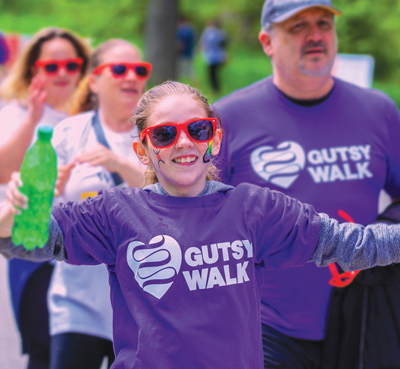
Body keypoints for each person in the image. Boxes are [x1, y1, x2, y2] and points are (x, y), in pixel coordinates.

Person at [1, 81, 400, 369]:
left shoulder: (254, 208)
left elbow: (355, 245)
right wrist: (13, 210)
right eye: (164, 135)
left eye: (198, 129)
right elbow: (24, 242)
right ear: (142, 151)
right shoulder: (113, 212)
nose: (184, 143)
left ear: (215, 138)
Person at [212, 0, 400, 369]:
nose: (315, 36)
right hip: (264, 326)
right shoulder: (228, 118)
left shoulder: (379, 110)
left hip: (361, 320)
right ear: (267, 41)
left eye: (323, 24)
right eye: (297, 26)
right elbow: (196, 216)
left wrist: (379, 234)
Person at [47, 38, 148, 369]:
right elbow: (42, 217)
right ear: (93, 81)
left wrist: (117, 164)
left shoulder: (158, 134)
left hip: (145, 308)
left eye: (139, 70)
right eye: (119, 69)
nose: (131, 77)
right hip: (78, 306)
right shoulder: (68, 133)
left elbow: (174, 192)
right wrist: (50, 190)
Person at [0, 27, 91, 369]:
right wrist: (34, 120)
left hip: (86, 248)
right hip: (31, 242)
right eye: (51, 67)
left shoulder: (96, 115)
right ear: (34, 71)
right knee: (43, 349)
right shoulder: (16, 113)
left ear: (83, 68)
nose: (63, 73)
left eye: (71, 64)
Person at [200, 19, 227, 93]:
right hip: (212, 56)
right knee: (212, 73)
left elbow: (223, 45)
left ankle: (215, 89)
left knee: (213, 73)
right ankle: (215, 88)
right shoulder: (217, 33)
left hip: (215, 56)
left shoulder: (218, 33)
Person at [176, 15, 196, 81]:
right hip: (189, 53)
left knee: (187, 73)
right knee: (190, 72)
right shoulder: (190, 30)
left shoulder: (184, 31)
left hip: (184, 55)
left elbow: (181, 45)